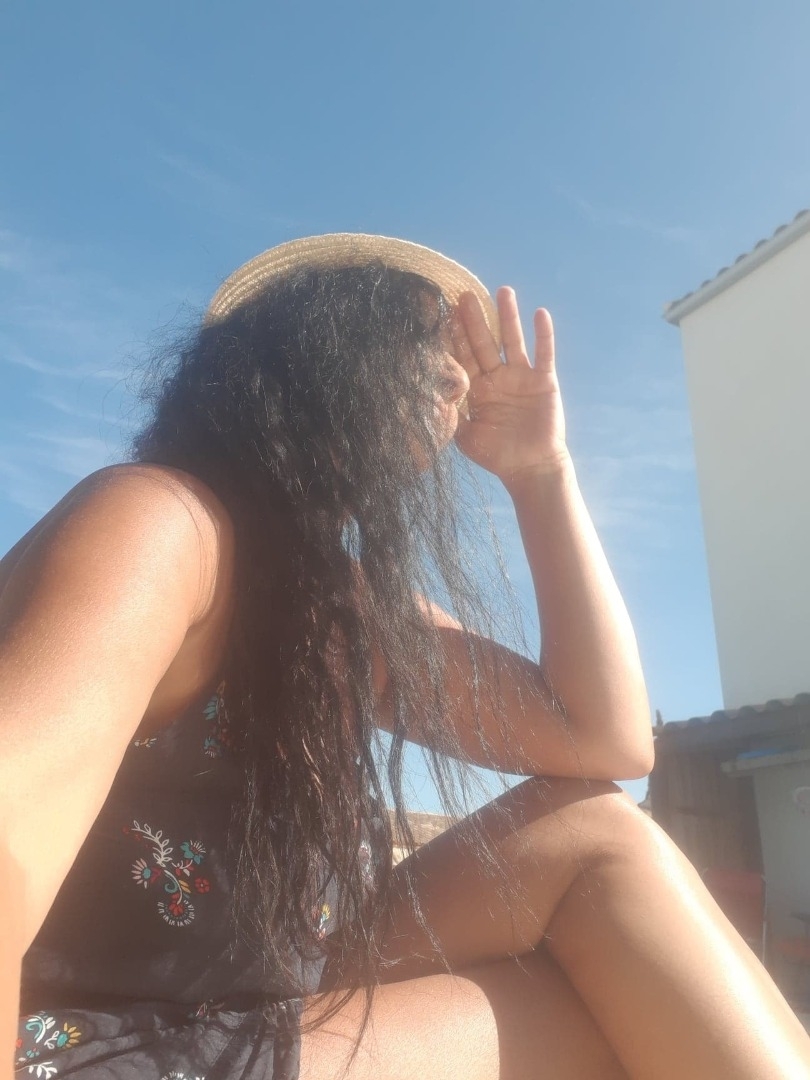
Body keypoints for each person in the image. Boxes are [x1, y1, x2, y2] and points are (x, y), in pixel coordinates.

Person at [1, 233, 808, 1080]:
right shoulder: (161, 521)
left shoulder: (334, 603)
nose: (458, 378)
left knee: (600, 847)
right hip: (99, 1045)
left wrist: (542, 473)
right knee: (607, 1016)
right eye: (414, 340)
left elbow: (604, 738)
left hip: (259, 1004)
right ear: (302, 351)